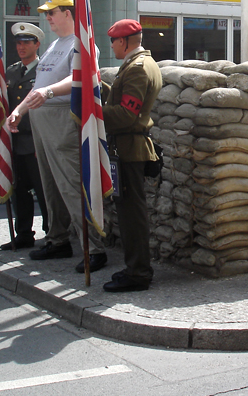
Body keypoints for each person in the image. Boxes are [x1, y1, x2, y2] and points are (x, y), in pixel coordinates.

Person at [7, 0, 107, 273]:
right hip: (41, 118)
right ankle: (57, 238)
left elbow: (82, 76)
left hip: (63, 117)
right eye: (47, 13)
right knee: (49, 186)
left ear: (68, 13)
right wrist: (20, 110)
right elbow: (38, 83)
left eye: (52, 13)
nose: (48, 18)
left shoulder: (82, 43)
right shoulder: (53, 47)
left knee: (71, 185)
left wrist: (49, 92)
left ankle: (94, 247)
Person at [101, 20, 162, 293]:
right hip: (127, 147)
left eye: (114, 41)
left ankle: (138, 272)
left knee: (132, 216)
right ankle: (134, 267)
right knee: (129, 213)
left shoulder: (137, 68)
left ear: (124, 41)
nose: (111, 45)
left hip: (129, 148)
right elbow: (123, 101)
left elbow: (127, 114)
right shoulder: (138, 64)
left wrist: (94, 111)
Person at [0, 22, 50, 251]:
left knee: (43, 190)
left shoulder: (44, 71)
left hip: (36, 138)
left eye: (26, 43)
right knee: (19, 189)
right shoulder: (11, 71)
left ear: (37, 44)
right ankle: (23, 233)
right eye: (18, 43)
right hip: (15, 141)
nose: (21, 47)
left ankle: (52, 233)